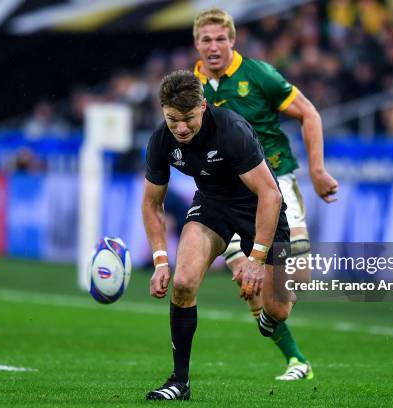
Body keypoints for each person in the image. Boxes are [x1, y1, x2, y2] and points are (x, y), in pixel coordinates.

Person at [192, 8, 339, 380]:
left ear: (232, 40)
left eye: (220, 39)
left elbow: (308, 113)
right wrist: (232, 253)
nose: (213, 46)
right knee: (252, 283)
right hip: (228, 196)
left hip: (278, 184)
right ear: (196, 44)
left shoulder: (258, 75)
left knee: (294, 284)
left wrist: (318, 170)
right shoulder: (189, 88)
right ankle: (296, 359)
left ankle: (271, 321)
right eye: (206, 39)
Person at [143, 70, 293, 400]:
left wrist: (256, 260)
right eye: (172, 119)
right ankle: (179, 382)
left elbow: (270, 195)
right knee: (182, 283)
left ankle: (257, 289)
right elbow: (152, 203)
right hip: (212, 205)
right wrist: (159, 261)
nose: (180, 128)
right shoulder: (161, 141)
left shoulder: (231, 130)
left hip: (260, 209)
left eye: (187, 119)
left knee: (279, 311)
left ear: (204, 106)